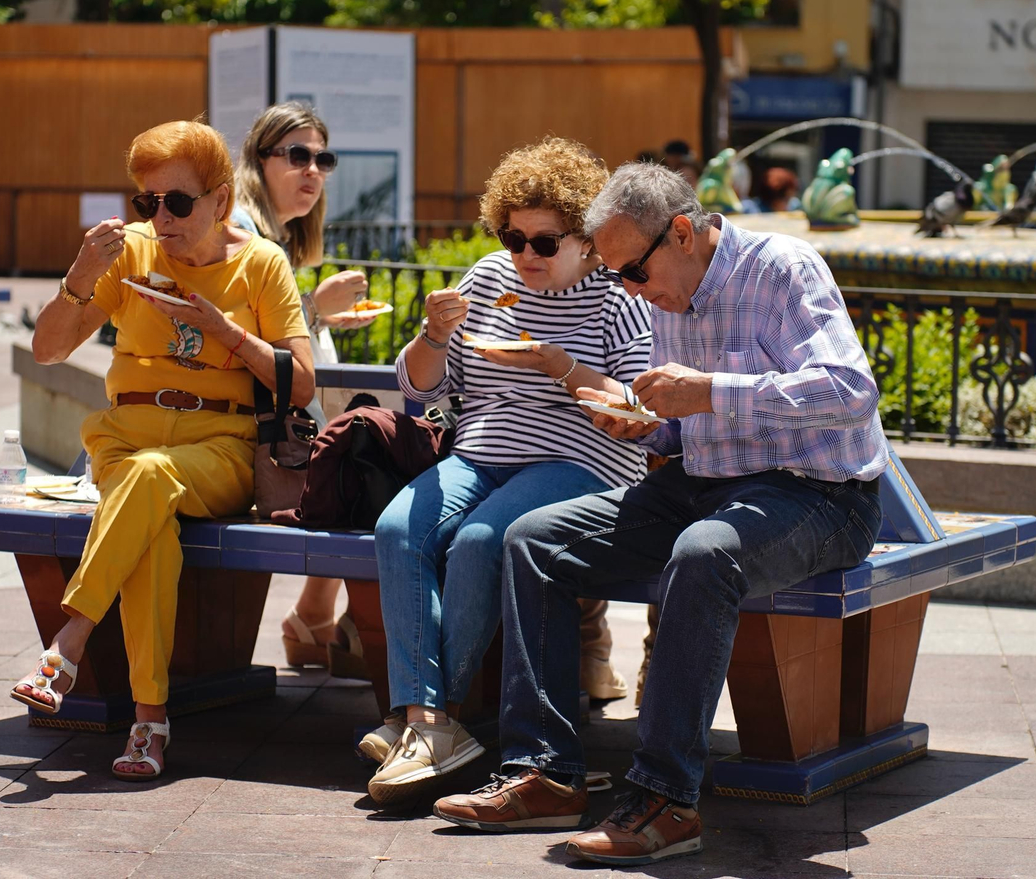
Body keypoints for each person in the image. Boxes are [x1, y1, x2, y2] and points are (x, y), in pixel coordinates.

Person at [433, 162, 887, 865]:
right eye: (617, 277)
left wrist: (708, 391)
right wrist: (645, 424)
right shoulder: (663, 291)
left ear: (681, 233)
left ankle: (665, 800)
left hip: (820, 496)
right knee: (531, 541)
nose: (629, 291)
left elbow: (851, 390)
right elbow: (684, 422)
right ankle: (545, 772)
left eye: (633, 274)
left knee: (705, 553)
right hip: (705, 482)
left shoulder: (782, 269)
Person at [15, 118, 313, 781]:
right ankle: (148, 721)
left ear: (221, 202)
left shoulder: (261, 264)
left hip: (220, 449)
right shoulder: (129, 256)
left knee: (150, 484)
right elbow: (47, 350)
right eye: (147, 203)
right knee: (152, 528)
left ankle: (69, 641)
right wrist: (81, 272)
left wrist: (225, 332)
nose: (161, 218)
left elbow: (303, 383)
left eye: (178, 202)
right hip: (129, 442)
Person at [364, 137, 655, 804]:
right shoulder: (490, 279)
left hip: (581, 459)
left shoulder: (617, 294)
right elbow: (420, 386)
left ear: (584, 238)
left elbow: (638, 405)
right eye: (512, 237)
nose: (525, 256)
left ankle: (428, 720)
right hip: (481, 452)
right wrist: (433, 335)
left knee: (479, 541)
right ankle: (428, 720)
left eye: (544, 244)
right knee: (397, 529)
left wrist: (560, 366)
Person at [230, 102, 380, 676]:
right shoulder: (242, 231)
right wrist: (317, 305)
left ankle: (315, 617)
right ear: (259, 160)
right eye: (297, 155)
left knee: (357, 462)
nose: (312, 170)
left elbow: (277, 328)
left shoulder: (278, 236)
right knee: (359, 473)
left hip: (283, 417)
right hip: (253, 429)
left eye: (323, 158)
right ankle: (329, 623)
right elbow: (237, 333)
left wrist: (319, 319)